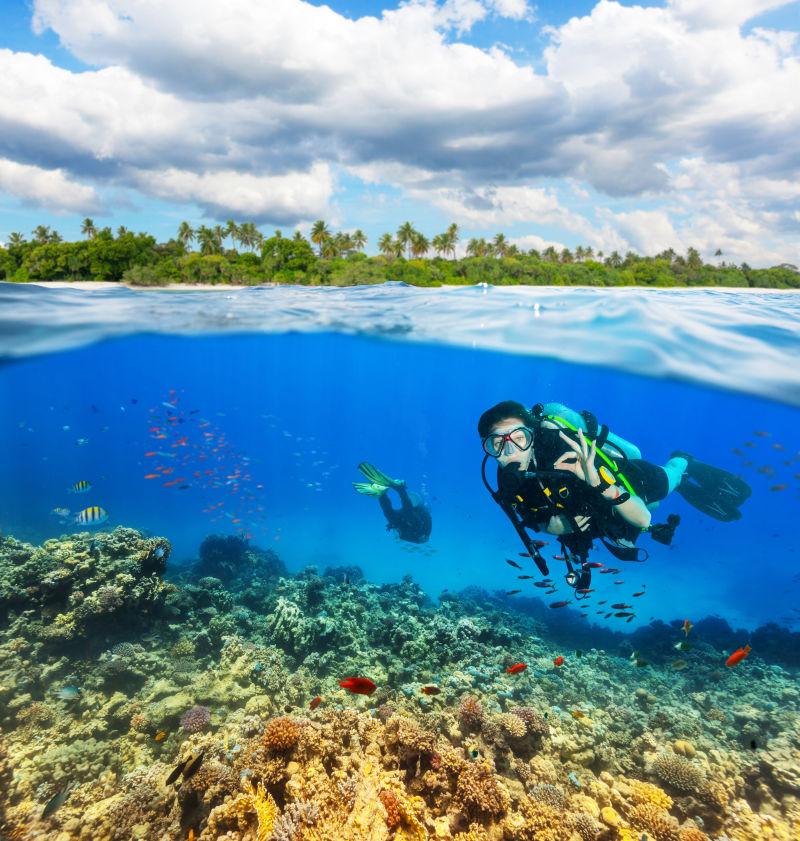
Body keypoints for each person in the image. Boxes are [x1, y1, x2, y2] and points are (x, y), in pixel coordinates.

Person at [478, 400, 750, 585]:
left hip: (629, 482)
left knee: (664, 487)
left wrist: (596, 480)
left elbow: (643, 521)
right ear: (488, 448)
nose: (510, 451)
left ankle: (683, 463)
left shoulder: (570, 450)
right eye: (497, 444)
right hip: (602, 518)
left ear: (533, 436)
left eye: (519, 438)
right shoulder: (506, 480)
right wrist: (553, 526)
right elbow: (529, 520)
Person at [353, 462, 432, 544]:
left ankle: (382, 495)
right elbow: (423, 521)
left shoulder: (413, 530)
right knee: (409, 516)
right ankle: (401, 489)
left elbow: (402, 520)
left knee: (389, 514)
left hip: (405, 521)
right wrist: (425, 535)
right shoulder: (424, 518)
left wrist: (392, 524)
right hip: (412, 520)